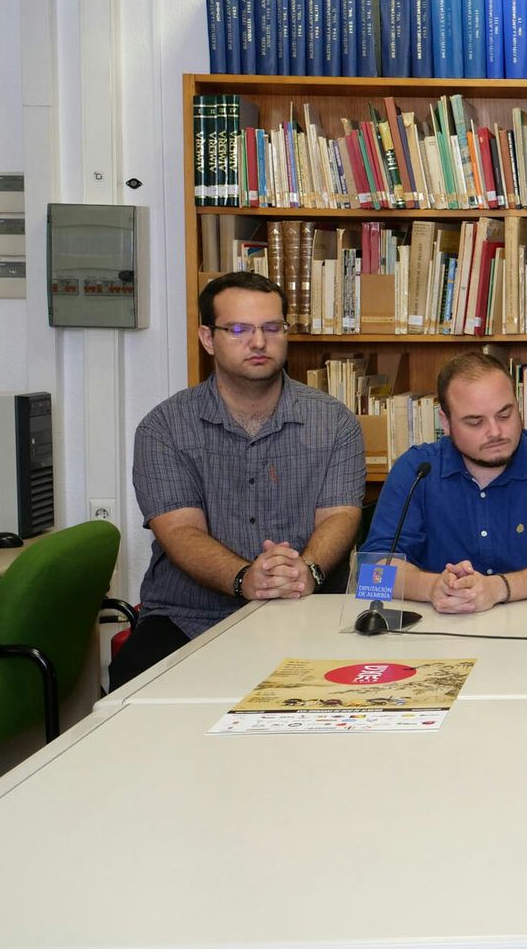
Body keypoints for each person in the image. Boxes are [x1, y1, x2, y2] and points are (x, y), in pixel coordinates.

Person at [113, 272, 366, 689]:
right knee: (132, 691)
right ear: (208, 338)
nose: (259, 342)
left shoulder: (335, 422)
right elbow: (180, 531)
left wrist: (307, 571)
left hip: (308, 609)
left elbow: (340, 515)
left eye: (272, 328)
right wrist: (244, 577)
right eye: (238, 329)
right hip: (191, 617)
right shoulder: (164, 428)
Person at [362, 351, 527, 611]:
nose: (495, 432)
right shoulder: (416, 470)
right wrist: (431, 587)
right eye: (475, 422)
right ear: (446, 422)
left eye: (505, 415)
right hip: (441, 626)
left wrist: (498, 588)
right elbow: (373, 571)